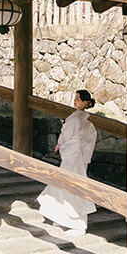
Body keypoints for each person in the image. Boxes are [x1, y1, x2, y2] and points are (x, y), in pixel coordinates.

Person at [37, 89, 99, 235]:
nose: (75, 100)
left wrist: (63, 146)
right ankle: (64, 218)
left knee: (73, 188)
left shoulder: (79, 119)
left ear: (86, 103)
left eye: (79, 98)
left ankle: (78, 224)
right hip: (73, 156)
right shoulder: (80, 119)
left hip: (74, 157)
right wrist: (62, 144)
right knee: (64, 187)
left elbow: (74, 140)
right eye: (75, 97)